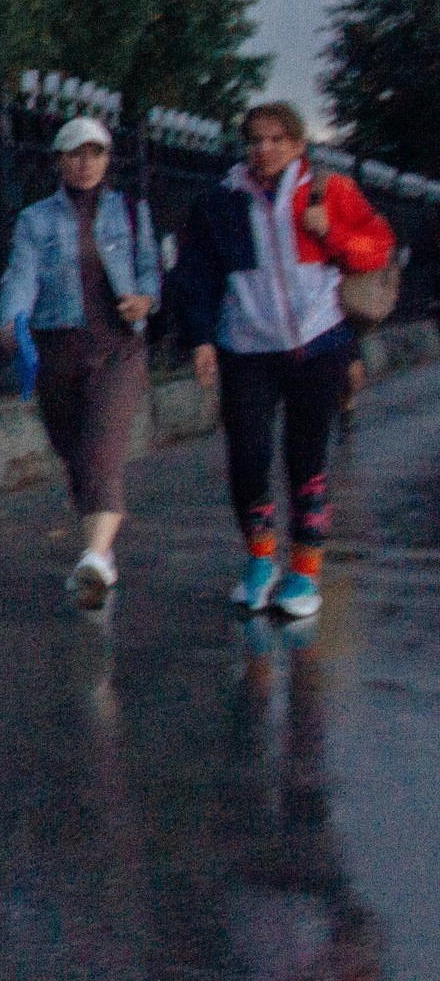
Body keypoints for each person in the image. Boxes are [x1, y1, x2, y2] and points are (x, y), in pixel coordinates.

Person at [170, 101, 395, 621]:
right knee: (248, 456)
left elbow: (376, 249)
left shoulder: (327, 191)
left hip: (319, 345)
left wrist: (329, 232)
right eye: (254, 139)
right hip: (247, 348)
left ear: (298, 146)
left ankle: (305, 572)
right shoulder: (223, 201)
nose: (264, 150)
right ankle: (258, 562)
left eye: (277, 139)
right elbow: (196, 275)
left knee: (305, 458)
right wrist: (201, 338)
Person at [0, 116, 160, 607]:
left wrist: (146, 299)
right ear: (59, 160)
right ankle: (101, 556)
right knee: (74, 453)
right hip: (58, 351)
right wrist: (12, 321)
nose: (86, 163)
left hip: (117, 349)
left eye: (96, 153)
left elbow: (151, 267)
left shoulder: (130, 212)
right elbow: (19, 276)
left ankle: (92, 556)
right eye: (75, 153)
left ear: (108, 160)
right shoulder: (35, 220)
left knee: (101, 449)